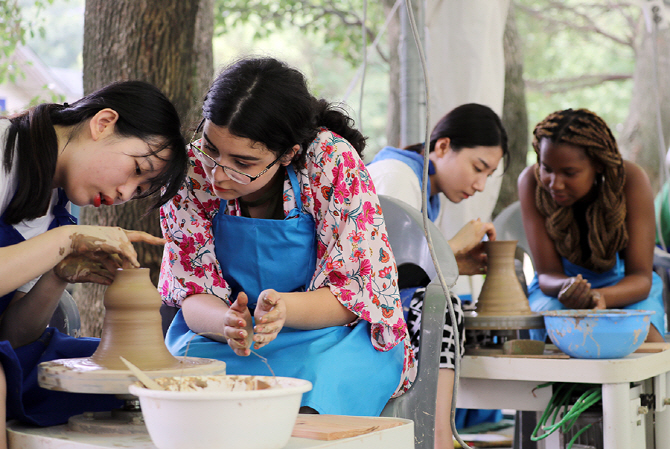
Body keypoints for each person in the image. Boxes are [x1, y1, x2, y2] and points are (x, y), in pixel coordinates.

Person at [159, 56, 415, 417]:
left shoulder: (330, 160)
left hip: (331, 336)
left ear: (288, 154)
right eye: (212, 149)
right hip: (229, 339)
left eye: (242, 163)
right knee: (180, 391)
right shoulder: (193, 170)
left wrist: (282, 310)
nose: (217, 174)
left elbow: (355, 295)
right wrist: (227, 324)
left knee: (305, 394)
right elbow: (192, 293)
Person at [0, 80, 188, 443]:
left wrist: (57, 275)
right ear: (103, 123)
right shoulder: (4, 148)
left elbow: (13, 336)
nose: (123, 195)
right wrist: (64, 242)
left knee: (144, 381)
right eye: (136, 171)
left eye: (138, 192)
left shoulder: (55, 207)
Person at [367, 103, 508, 449]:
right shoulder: (396, 175)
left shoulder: (427, 188)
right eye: (479, 168)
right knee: (444, 308)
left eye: (488, 176)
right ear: (442, 147)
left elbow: (408, 274)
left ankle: (442, 430)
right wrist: (453, 247)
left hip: (382, 305)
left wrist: (455, 260)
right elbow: (380, 273)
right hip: (355, 311)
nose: (479, 184)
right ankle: (439, 437)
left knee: (449, 302)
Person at [518, 108, 666, 343]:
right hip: (559, 291)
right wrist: (569, 288)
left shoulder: (631, 180)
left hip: (625, 287)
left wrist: (599, 297)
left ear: (597, 164)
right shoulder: (531, 183)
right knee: (561, 335)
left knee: (645, 338)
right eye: (547, 168)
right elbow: (546, 274)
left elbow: (641, 278)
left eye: (569, 172)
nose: (555, 184)